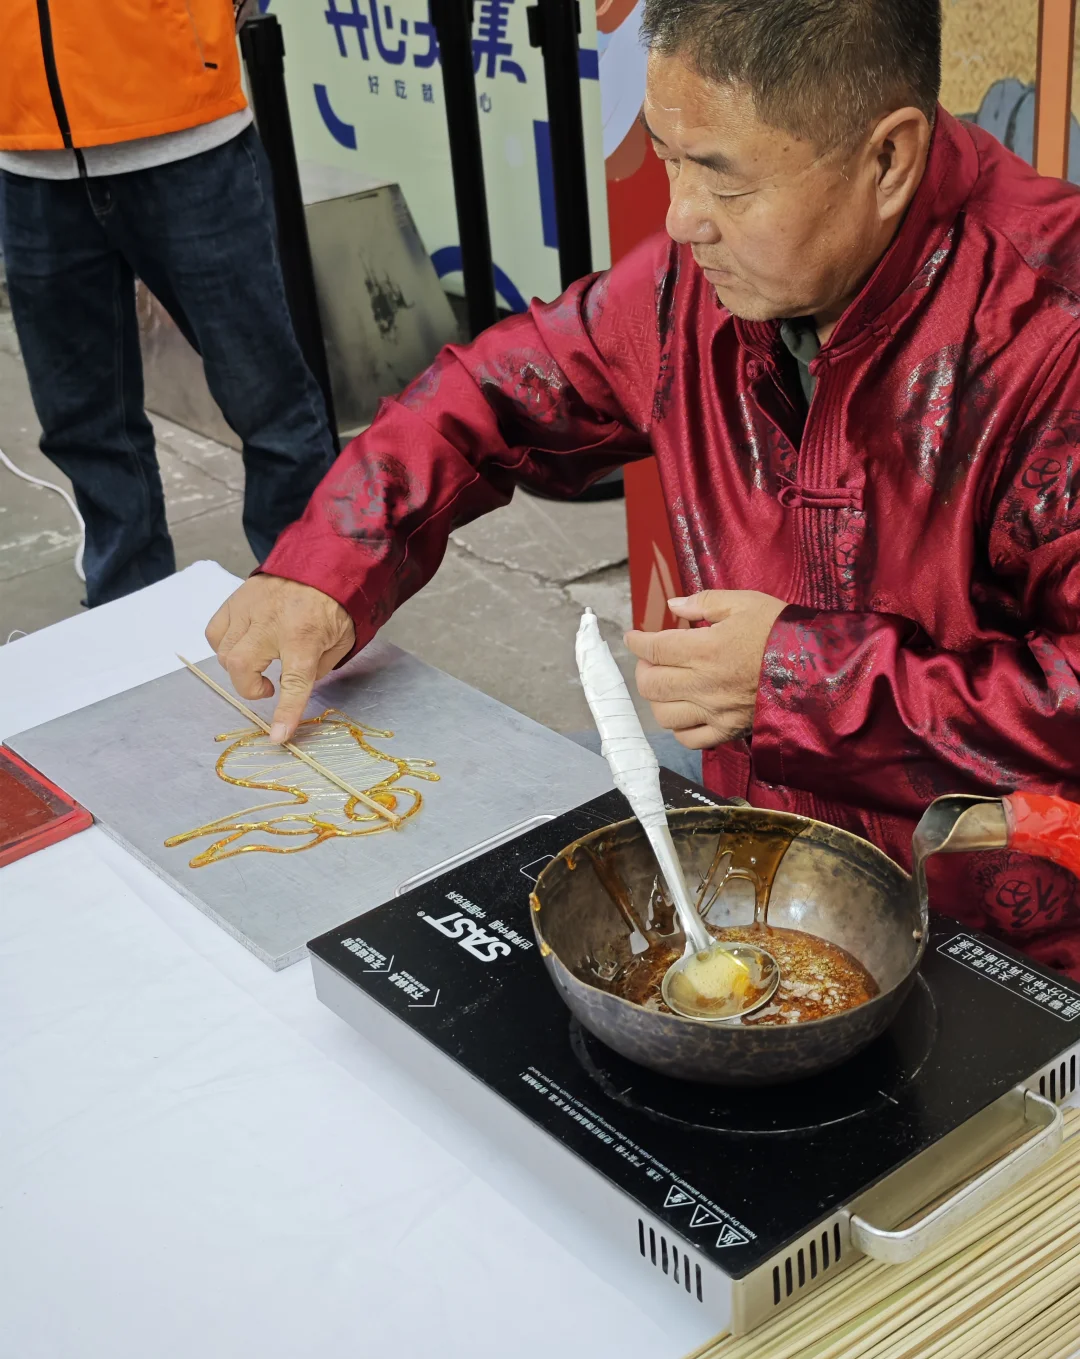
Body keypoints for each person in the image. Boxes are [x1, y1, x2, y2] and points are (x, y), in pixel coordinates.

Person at [206, 0, 1080, 977]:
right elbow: (491, 393)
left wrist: (797, 682)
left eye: (723, 178)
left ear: (888, 160)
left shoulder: (1049, 337)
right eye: (668, 156)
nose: (679, 217)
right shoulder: (691, 293)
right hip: (759, 876)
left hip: (1003, 942)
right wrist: (329, 563)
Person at [0, 0, 336, 608]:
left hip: (186, 136)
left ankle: (313, 597)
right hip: (25, 152)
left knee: (269, 404)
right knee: (81, 422)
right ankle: (130, 608)